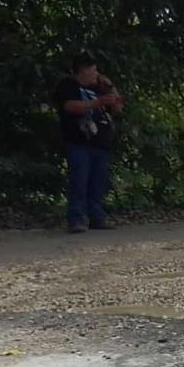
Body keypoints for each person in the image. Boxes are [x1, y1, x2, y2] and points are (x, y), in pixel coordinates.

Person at [53, 53, 124, 233]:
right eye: (93, 70)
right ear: (83, 70)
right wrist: (96, 102)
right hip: (79, 140)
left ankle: (97, 216)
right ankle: (76, 218)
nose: (96, 73)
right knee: (79, 179)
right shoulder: (68, 85)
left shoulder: (100, 87)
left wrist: (110, 87)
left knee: (98, 182)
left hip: (100, 141)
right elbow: (70, 106)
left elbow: (118, 108)